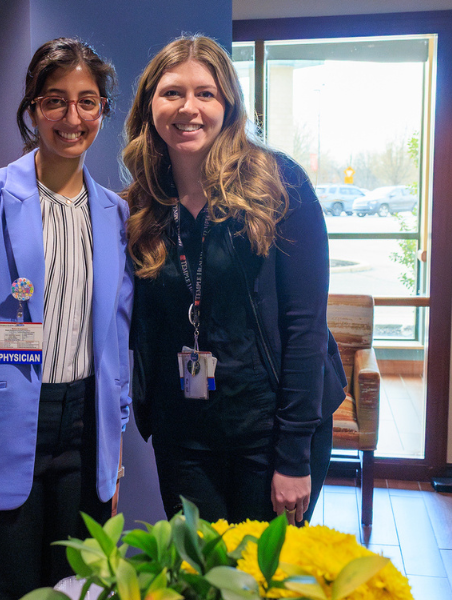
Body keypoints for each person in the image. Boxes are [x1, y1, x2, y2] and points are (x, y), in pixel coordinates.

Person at [0, 38, 132, 600]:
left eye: (88, 102)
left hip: (85, 435)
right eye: (55, 100)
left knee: (79, 590)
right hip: (1, 431)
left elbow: (117, 342)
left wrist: (113, 455)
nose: (71, 117)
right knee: (6, 590)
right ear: (33, 108)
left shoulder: (115, 214)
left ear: (103, 112)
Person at [123, 35, 346, 526]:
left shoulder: (279, 185)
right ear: (150, 105)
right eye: (172, 93)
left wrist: (293, 455)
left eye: (206, 93)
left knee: (260, 582)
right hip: (183, 439)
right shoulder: (141, 205)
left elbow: (306, 325)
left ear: (229, 104)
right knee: (200, 578)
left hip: (270, 434)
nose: (189, 108)